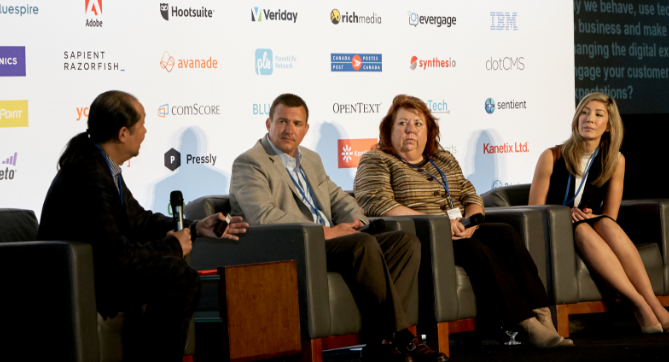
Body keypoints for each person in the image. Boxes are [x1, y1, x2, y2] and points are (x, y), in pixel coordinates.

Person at [230, 93, 447, 362]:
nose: (289, 130)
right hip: (296, 247)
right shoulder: (250, 162)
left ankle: (380, 343)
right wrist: (329, 232)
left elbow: (338, 198)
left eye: (297, 124)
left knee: (405, 242)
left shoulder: (310, 159)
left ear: (306, 129)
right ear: (268, 123)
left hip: (334, 241)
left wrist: (357, 221)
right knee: (363, 245)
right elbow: (264, 217)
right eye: (282, 122)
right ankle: (402, 336)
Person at [38, 90, 248, 361]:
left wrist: (196, 228)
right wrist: (173, 245)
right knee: (176, 273)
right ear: (123, 133)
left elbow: (141, 220)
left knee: (178, 273)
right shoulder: (89, 173)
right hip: (79, 281)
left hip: (99, 272)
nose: (146, 131)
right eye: (142, 124)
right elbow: (118, 257)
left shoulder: (102, 165)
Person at [354, 94, 572, 349]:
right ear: (389, 130)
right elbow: (378, 204)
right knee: (475, 249)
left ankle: (544, 318)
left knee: (505, 233)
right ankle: (525, 326)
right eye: (402, 124)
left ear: (429, 131)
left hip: (460, 230)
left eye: (418, 123)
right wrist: (437, 223)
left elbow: (470, 194)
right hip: (424, 237)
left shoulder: (443, 159)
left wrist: (472, 222)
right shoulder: (377, 159)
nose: (410, 130)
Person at [529, 92, 669, 334]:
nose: (589, 119)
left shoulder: (615, 160)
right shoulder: (552, 156)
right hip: (555, 231)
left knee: (603, 225)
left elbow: (610, 216)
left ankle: (652, 302)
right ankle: (637, 304)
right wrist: (564, 216)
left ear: (609, 125)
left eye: (598, 114)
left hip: (593, 226)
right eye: (584, 112)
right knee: (582, 229)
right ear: (576, 119)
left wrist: (593, 217)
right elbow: (533, 213)